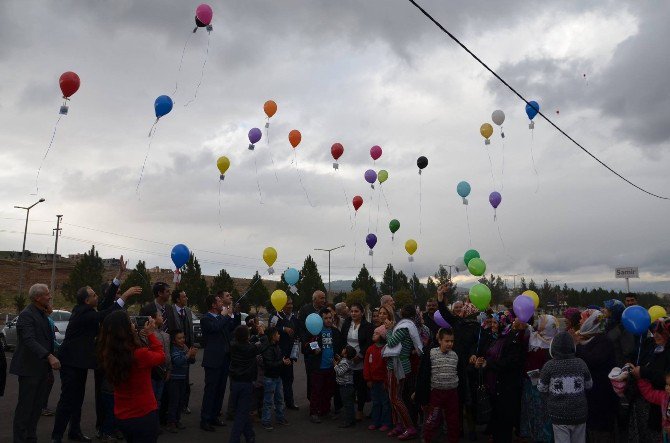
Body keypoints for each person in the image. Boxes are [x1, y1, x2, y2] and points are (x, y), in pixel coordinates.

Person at [51, 283, 140, 443]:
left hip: (80, 363)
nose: (96, 296)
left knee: (78, 399)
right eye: (93, 295)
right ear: (86, 301)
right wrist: (124, 296)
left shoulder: (88, 310)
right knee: (68, 400)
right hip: (71, 363)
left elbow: (106, 302)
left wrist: (117, 280)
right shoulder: (83, 313)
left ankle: (74, 431)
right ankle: (56, 436)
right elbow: (105, 314)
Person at [98, 311, 165, 442]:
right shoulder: (139, 355)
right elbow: (160, 356)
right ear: (125, 329)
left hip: (123, 415)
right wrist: (151, 334)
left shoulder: (108, 354)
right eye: (130, 322)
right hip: (144, 413)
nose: (134, 324)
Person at [11, 283, 61, 443]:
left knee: (36, 408)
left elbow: (47, 340)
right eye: (47, 294)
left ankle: (31, 437)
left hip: (41, 370)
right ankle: (20, 439)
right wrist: (49, 356)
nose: (50, 296)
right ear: (38, 298)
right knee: (25, 408)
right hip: (29, 369)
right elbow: (29, 340)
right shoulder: (27, 315)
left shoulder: (42, 314)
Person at [436, 284, 482, 441]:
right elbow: (478, 345)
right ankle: (470, 431)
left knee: (461, 400)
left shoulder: (460, 323)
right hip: (466, 367)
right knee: (466, 400)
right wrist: (474, 354)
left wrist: (440, 298)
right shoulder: (476, 327)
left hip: (459, 366)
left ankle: (463, 430)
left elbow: (444, 313)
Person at [475, 311, 524, 443]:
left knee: (504, 424)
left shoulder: (511, 340)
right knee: (496, 421)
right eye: (491, 322)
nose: (492, 325)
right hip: (493, 387)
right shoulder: (496, 338)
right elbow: (487, 354)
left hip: (505, 389)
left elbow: (511, 362)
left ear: (503, 324)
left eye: (495, 322)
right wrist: (481, 360)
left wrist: (489, 363)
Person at [537, 331, 593, 443]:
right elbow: (589, 384)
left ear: (553, 348)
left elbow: (541, 388)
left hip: (558, 415)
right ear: (573, 347)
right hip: (579, 413)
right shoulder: (581, 363)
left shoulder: (549, 366)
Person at [575, 309, 618, 442]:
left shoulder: (604, 341)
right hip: (589, 395)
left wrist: (577, 346)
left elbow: (592, 360)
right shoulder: (588, 338)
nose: (579, 321)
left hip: (601, 396)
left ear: (590, 322)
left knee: (600, 432)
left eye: (582, 319)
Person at [383, 304, 424, 440]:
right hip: (397, 365)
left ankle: (410, 427)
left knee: (396, 398)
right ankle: (399, 425)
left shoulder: (404, 327)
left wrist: (389, 330)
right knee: (393, 397)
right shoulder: (410, 325)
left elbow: (391, 343)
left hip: (398, 366)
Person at [200, 292, 239, 432]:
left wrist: (231, 312)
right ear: (213, 305)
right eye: (218, 301)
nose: (221, 302)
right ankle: (205, 419)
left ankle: (215, 416)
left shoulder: (221, 317)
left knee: (220, 390)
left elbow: (232, 327)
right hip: (212, 360)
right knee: (211, 390)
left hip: (224, 358)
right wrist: (225, 315)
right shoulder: (206, 318)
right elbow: (215, 327)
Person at [415, 328, 460, 443]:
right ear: (439, 340)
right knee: (432, 419)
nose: (450, 344)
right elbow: (424, 375)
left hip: (452, 394)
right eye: (446, 341)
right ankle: (427, 439)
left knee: (453, 421)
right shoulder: (431, 353)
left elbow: (460, 374)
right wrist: (420, 394)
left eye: (452, 341)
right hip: (436, 393)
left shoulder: (455, 355)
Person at [630, 318, 670, 442]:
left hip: (663, 409)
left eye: (661, 332)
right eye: (655, 331)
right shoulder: (657, 348)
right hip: (656, 407)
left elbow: (664, 377)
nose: (656, 335)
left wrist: (643, 372)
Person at [520, 315, 558, 443]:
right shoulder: (534, 337)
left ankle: (545, 438)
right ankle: (534, 435)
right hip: (531, 383)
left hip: (545, 386)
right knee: (533, 412)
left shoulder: (555, 343)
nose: (539, 323)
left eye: (543, 322)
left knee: (544, 414)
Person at [229, 324, 266, 443]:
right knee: (242, 414)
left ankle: (250, 435)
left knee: (241, 411)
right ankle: (234, 439)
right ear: (247, 337)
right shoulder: (251, 349)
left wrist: (253, 335)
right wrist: (262, 333)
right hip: (246, 384)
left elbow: (248, 341)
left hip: (234, 383)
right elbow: (264, 343)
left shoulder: (233, 346)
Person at [305, 307, 344, 423]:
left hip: (331, 367)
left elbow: (340, 346)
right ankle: (314, 412)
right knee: (316, 391)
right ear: (320, 319)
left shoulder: (335, 331)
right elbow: (306, 346)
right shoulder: (316, 331)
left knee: (328, 391)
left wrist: (339, 357)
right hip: (318, 367)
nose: (328, 320)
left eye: (330, 318)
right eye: (325, 318)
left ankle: (325, 411)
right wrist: (314, 349)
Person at [340, 302, 373, 421]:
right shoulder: (346, 324)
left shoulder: (368, 326)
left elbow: (369, 343)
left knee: (361, 388)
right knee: (348, 387)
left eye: (356, 311)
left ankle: (360, 410)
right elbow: (342, 339)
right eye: (352, 311)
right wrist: (344, 353)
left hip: (360, 361)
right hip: (347, 361)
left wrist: (359, 356)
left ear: (362, 313)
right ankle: (349, 411)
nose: (353, 313)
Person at [165, 289, 194, 415]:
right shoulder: (170, 310)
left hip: (186, 347)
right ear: (177, 299)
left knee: (185, 379)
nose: (186, 298)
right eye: (184, 296)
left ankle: (184, 404)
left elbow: (190, 329)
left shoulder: (187, 311)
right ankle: (173, 408)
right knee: (174, 379)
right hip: (175, 348)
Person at [269, 297, 300, 410]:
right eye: (288, 304)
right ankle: (272, 404)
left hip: (289, 354)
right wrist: (283, 329)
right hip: (277, 354)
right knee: (274, 380)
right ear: (281, 305)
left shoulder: (294, 317)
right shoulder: (275, 316)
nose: (291, 306)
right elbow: (270, 329)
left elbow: (297, 331)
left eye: (291, 303)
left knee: (288, 379)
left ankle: (289, 402)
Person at [165, 330, 197, 433]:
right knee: (174, 402)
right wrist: (188, 355)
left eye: (183, 337)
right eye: (179, 338)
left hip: (183, 379)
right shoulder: (174, 349)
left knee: (180, 401)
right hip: (174, 379)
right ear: (174, 340)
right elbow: (178, 362)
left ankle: (177, 420)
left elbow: (191, 361)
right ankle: (171, 423)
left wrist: (193, 355)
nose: (182, 340)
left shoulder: (185, 347)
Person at [298, 290, 327, 400]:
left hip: (323, 348)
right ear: (314, 299)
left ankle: (322, 399)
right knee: (312, 376)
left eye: (324, 298)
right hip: (310, 349)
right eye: (321, 298)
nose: (324, 300)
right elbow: (302, 330)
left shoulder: (324, 310)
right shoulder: (305, 310)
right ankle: (312, 400)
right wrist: (314, 347)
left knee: (323, 375)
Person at [260, 326, 290, 430]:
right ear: (273, 336)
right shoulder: (268, 348)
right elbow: (269, 364)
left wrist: (283, 360)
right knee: (268, 401)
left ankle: (280, 418)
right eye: (277, 333)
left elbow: (277, 359)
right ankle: (266, 421)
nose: (279, 335)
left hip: (277, 377)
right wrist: (282, 362)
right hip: (270, 378)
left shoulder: (276, 346)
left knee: (279, 399)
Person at [364, 325, 392, 431]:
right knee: (375, 402)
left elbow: (387, 367)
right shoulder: (370, 349)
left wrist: (386, 381)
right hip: (373, 381)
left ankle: (386, 423)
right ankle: (376, 422)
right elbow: (366, 365)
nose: (373, 334)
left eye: (376, 333)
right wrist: (368, 379)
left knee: (385, 403)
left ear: (382, 336)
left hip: (383, 382)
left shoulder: (386, 350)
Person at [635, 371, 670, 440]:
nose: (667, 387)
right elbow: (650, 394)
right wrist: (640, 378)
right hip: (665, 436)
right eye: (667, 384)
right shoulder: (664, 397)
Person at [602, 299, 635, 367]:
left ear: (614, 312)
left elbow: (627, 352)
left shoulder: (623, 329)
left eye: (606, 308)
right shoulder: (609, 324)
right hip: (611, 364)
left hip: (619, 367)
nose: (603, 310)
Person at [334, 345, 357, 428]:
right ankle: (352, 419)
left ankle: (348, 421)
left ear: (346, 354)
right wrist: (340, 360)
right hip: (348, 385)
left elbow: (340, 372)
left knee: (347, 404)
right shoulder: (348, 361)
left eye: (344, 349)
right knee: (350, 403)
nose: (343, 349)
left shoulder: (345, 362)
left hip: (345, 386)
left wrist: (335, 365)